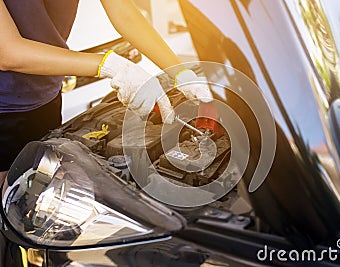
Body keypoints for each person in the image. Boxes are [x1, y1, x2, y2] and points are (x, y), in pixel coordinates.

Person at [0, 0, 213, 185]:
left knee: (38, 189)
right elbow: (8, 53)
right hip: (4, 107)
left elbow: (123, 12)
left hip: (45, 94)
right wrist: (111, 66)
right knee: (11, 201)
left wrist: (180, 72)